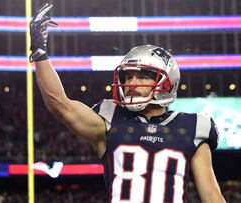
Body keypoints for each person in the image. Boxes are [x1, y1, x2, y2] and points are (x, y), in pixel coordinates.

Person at [29, 3, 226, 203]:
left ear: (167, 83)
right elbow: (60, 104)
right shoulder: (110, 118)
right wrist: (39, 53)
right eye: (128, 77)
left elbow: (211, 196)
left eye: (141, 77)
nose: (131, 84)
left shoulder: (193, 127)